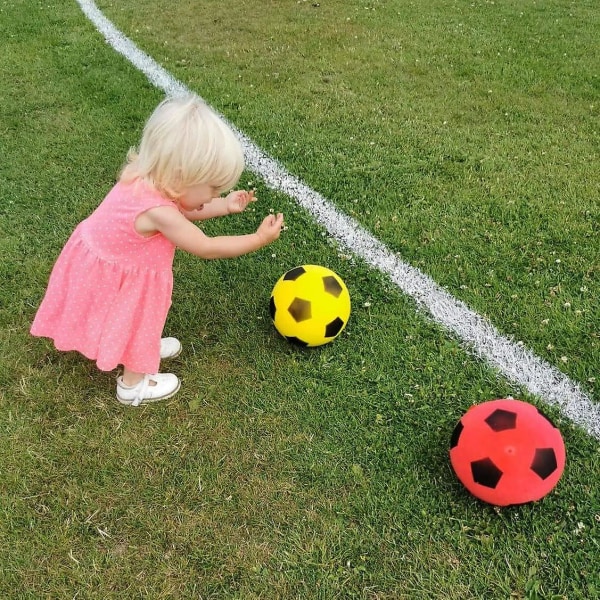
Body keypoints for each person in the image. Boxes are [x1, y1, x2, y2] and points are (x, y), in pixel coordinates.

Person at [31, 94, 284, 407]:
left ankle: (142, 348)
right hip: (124, 275)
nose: (216, 194)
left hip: (103, 264)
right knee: (139, 317)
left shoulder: (145, 177)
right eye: (213, 189)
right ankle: (133, 384)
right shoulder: (160, 213)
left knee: (134, 320)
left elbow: (185, 208)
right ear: (182, 177)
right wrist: (257, 239)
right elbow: (206, 246)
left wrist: (224, 206)